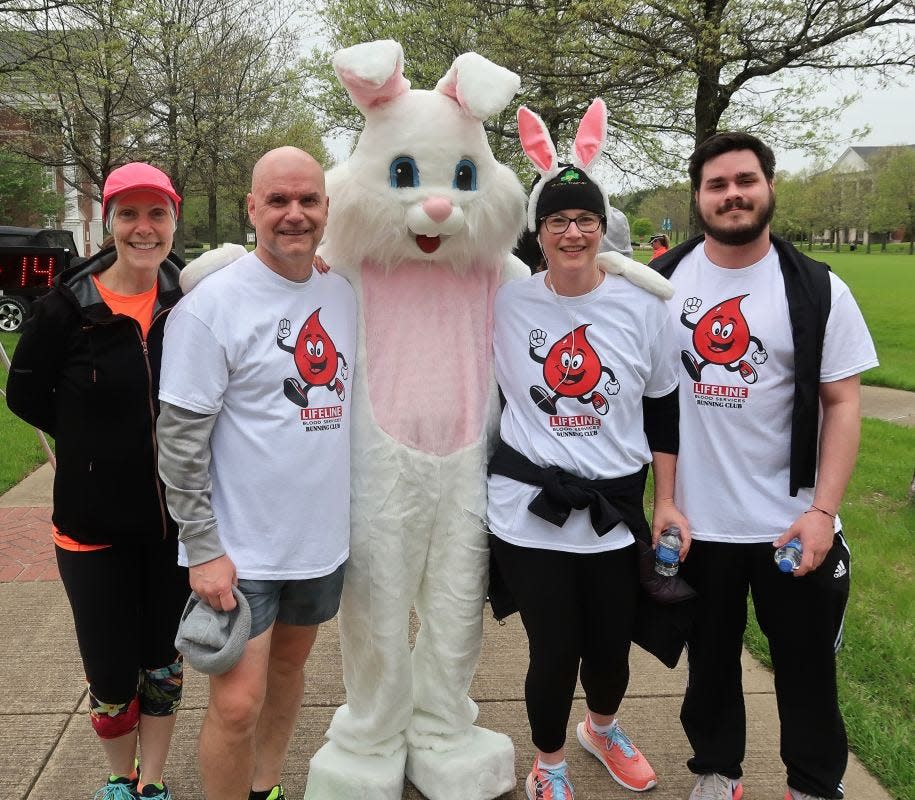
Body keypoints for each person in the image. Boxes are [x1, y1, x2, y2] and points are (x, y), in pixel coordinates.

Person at [651, 131, 878, 800]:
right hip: (698, 521)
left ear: (768, 186)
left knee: (806, 670)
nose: (732, 194)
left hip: (788, 526)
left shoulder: (815, 287)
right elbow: (645, 398)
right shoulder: (661, 283)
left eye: (744, 180)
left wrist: (821, 513)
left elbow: (841, 403)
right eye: (716, 184)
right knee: (710, 667)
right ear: (697, 197)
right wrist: (661, 499)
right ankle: (716, 773)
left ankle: (811, 784)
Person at [487, 101, 687, 800]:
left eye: (584, 220)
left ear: (602, 229)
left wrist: (666, 502)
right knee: (553, 651)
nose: (571, 232)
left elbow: (663, 407)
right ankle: (547, 764)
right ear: (537, 232)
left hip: (613, 509)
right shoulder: (504, 303)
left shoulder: (644, 309)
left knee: (608, 651)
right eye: (557, 221)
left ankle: (601, 729)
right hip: (528, 511)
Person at [156, 146, 355, 800]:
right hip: (239, 552)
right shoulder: (212, 307)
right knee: (237, 704)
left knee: (290, 675)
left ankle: (264, 788)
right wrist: (204, 549)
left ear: (327, 209)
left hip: (319, 542)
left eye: (308, 200)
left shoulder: (342, 293)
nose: (294, 215)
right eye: (278, 201)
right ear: (251, 209)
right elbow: (180, 444)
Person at [6, 162, 188, 800]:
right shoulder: (64, 308)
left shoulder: (189, 299)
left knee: (162, 661)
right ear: (109, 222)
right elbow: (25, 397)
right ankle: (120, 778)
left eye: (156, 213)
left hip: (174, 528)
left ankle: (156, 781)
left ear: (174, 219)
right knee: (110, 672)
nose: (144, 228)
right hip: (91, 528)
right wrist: (89, 439)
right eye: (129, 214)